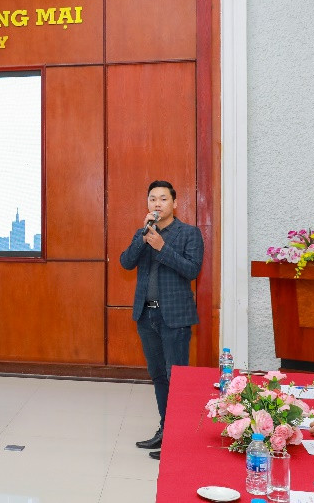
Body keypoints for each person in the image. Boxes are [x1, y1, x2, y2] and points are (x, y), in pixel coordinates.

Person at [120, 180, 204, 461]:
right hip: (146, 315)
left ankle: (179, 440)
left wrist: (162, 247)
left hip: (175, 317)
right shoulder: (144, 232)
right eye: (152, 198)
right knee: (158, 375)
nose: (157, 203)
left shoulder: (189, 233)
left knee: (176, 378)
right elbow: (126, 263)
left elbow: (192, 270)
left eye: (163, 199)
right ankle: (165, 430)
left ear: (174, 203)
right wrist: (143, 237)